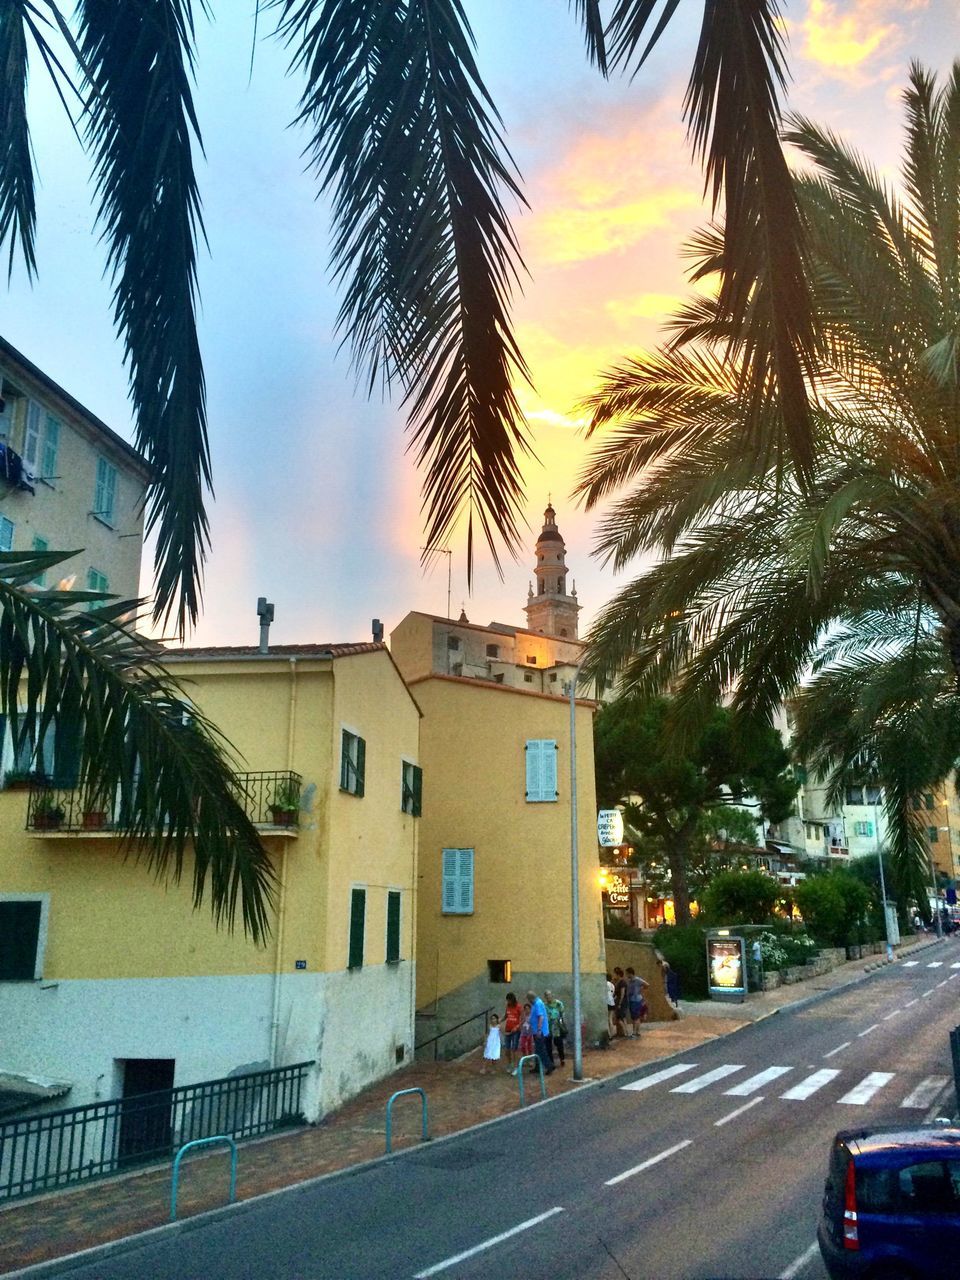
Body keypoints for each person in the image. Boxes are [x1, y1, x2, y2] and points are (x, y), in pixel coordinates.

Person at [526, 989, 554, 1075]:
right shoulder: (536, 1003)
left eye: (528, 999)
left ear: (531, 998)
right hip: (537, 1031)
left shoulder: (537, 1004)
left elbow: (541, 1017)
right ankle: (537, 1067)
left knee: (541, 1050)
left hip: (540, 1032)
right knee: (538, 1050)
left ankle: (549, 1066)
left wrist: (538, 1030)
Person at [544, 990, 567, 1066]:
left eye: (549, 995)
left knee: (559, 1043)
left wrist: (563, 1024)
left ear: (552, 995)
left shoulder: (558, 1004)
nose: (548, 997)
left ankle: (562, 1059)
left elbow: (562, 1014)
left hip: (557, 1027)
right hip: (548, 1027)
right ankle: (551, 1062)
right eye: (546, 996)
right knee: (548, 1045)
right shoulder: (545, 1006)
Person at [625, 967, 648, 1036]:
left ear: (630, 973)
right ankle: (637, 1032)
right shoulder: (629, 981)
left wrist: (640, 989)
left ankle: (635, 1032)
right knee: (634, 1017)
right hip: (631, 999)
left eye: (627, 973)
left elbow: (647, 984)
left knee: (636, 1016)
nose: (626, 975)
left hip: (636, 1000)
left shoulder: (637, 979)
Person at [502, 992, 522, 1073]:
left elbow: (522, 1019)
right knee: (507, 1049)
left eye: (509, 1000)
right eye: (507, 1001)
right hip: (508, 1030)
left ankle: (516, 1067)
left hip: (516, 1031)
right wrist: (499, 1020)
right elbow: (506, 1016)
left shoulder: (519, 1007)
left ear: (512, 999)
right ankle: (510, 1064)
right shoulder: (508, 1006)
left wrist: (517, 1027)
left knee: (514, 1049)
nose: (508, 1002)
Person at [517, 1002, 534, 1071]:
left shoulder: (532, 1016)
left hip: (530, 1033)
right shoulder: (523, 1016)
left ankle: (530, 1060)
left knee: (530, 1047)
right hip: (523, 1033)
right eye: (525, 1009)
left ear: (530, 1009)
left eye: (528, 1009)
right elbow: (520, 1023)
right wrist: (520, 1028)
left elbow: (533, 1025)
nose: (527, 1010)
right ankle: (525, 1058)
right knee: (523, 1046)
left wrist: (531, 1033)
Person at [613, 967, 628, 1037]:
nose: (614, 976)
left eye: (615, 974)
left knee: (620, 1018)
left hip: (621, 1001)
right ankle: (624, 1032)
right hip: (619, 1001)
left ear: (618, 975)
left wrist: (619, 1003)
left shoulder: (622, 982)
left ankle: (625, 1032)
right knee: (622, 1017)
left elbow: (622, 993)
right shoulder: (618, 982)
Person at [606, 972, 617, 1036]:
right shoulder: (612, 985)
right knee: (610, 1019)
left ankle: (609, 1034)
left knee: (608, 1019)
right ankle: (612, 1034)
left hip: (607, 1002)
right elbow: (612, 994)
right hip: (612, 1003)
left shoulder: (605, 983)